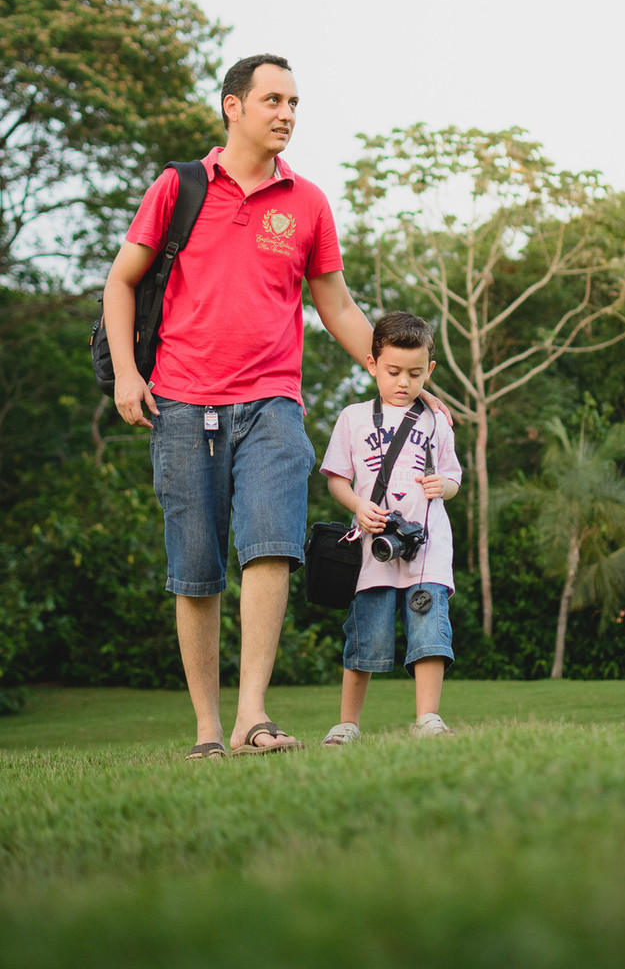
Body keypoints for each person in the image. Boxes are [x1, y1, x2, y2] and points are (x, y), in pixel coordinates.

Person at [103, 54, 446, 760]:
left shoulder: (308, 203)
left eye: (294, 101)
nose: (286, 112)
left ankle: (251, 717)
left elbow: (338, 306)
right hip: (179, 403)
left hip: (271, 404)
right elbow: (121, 281)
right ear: (233, 106)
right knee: (195, 569)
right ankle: (205, 730)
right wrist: (128, 376)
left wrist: (396, 380)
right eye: (272, 99)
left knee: (270, 551)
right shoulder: (180, 186)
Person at [320, 311, 462, 744]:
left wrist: (445, 486)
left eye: (416, 374)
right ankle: (347, 724)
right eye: (393, 371)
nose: (403, 382)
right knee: (365, 632)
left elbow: (454, 478)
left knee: (430, 629)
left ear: (430, 371)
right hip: (372, 547)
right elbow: (336, 479)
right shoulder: (353, 418)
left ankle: (428, 719)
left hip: (427, 548)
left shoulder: (438, 420)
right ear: (372, 365)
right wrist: (358, 505)